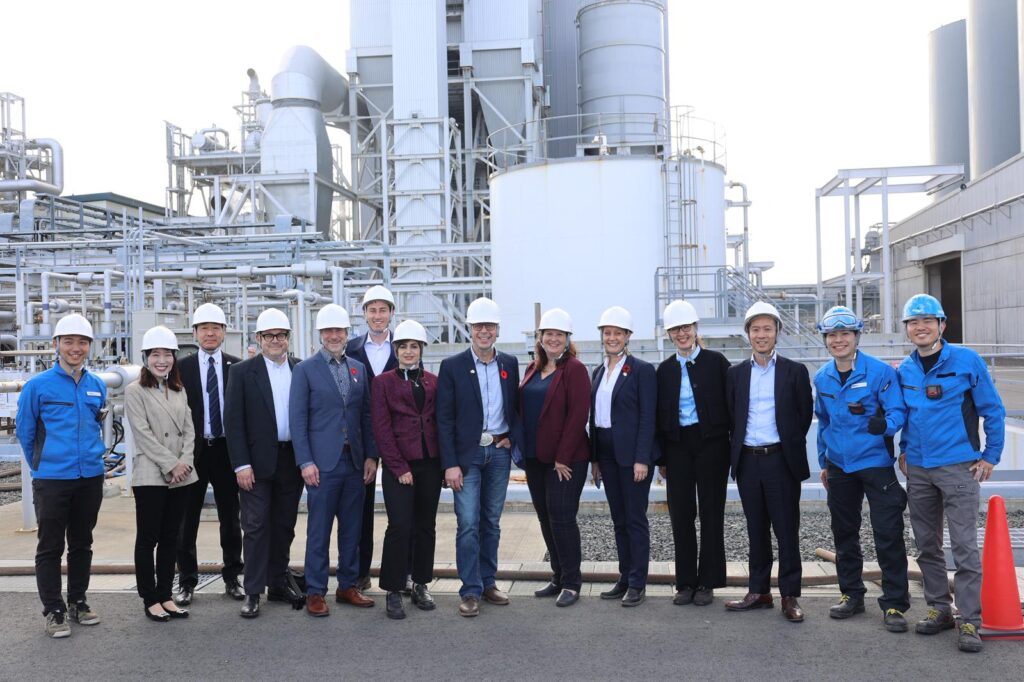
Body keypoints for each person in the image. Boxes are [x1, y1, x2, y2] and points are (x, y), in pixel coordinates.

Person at [897, 294, 1005, 653]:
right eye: (913, 322)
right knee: (927, 545)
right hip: (919, 469)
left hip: (959, 467)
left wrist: (990, 456)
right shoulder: (905, 369)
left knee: (964, 546)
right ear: (907, 329)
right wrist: (904, 450)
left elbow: (993, 410)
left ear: (942, 325)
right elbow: (909, 416)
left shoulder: (966, 361)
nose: (921, 327)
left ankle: (970, 619)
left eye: (928, 321)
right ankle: (940, 609)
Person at [813, 306, 910, 633]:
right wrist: (824, 461)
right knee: (844, 533)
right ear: (825, 339)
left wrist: (886, 426)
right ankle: (851, 594)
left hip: (875, 465)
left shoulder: (880, 372)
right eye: (832, 335)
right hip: (839, 467)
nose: (838, 340)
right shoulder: (822, 377)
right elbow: (824, 421)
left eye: (845, 334)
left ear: (856, 337)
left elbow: (897, 411)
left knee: (888, 533)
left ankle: (894, 603)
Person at [16, 314, 107, 638]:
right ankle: (54, 609)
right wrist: (42, 467)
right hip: (53, 478)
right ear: (56, 344)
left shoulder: (96, 385)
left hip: (90, 476)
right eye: (68, 341)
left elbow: (97, 424)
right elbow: (25, 431)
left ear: (89, 346)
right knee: (50, 546)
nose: (75, 348)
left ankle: (78, 601)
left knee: (82, 542)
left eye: (82, 342)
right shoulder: (38, 386)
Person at [724, 301, 812, 623]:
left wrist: (785, 445)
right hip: (748, 461)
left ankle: (790, 595)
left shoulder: (795, 371)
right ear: (748, 333)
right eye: (756, 329)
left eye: (767, 329)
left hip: (780, 461)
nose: (761, 335)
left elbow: (803, 416)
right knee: (756, 529)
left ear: (777, 332)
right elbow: (732, 416)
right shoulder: (735, 374)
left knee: (787, 530)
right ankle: (759, 591)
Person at [436, 297, 522, 617]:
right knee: (469, 523)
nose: (484, 331)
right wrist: (450, 464)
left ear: (497, 330)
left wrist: (512, 437)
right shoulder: (452, 366)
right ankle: (470, 590)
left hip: (498, 453)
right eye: (478, 326)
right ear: (469, 329)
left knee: (491, 522)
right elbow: (444, 419)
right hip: (467, 456)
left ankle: (488, 582)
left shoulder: (509, 364)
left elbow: (516, 407)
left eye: (489, 326)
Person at [291, 304, 378, 617]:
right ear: (320, 334)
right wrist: (305, 462)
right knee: (319, 530)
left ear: (346, 333)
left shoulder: (358, 369)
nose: (334, 336)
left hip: (354, 462)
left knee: (352, 529)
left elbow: (366, 416)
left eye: (339, 331)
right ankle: (316, 591)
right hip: (322, 465)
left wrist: (371, 456)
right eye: (328, 331)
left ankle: (347, 585)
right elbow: (298, 420)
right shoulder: (305, 370)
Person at [224, 308, 304, 618]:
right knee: (255, 526)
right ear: (258, 338)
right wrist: (241, 465)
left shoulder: (300, 369)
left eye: (280, 335)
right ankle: (253, 591)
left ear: (288, 338)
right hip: (255, 463)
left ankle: (278, 582)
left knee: (284, 525)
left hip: (291, 460)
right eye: (269, 336)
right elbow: (234, 422)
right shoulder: (242, 372)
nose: (275, 340)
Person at [655, 300, 731, 607]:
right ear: (669, 334)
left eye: (686, 327)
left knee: (712, 512)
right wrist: (661, 459)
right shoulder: (665, 370)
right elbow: (660, 417)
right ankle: (685, 581)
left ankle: (708, 581)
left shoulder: (717, 362)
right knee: (681, 514)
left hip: (712, 444)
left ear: (695, 328)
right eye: (675, 329)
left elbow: (733, 405)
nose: (681, 334)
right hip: (677, 446)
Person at [371, 320, 442, 620]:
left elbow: (441, 423)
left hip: (430, 464)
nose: (409, 351)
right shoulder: (383, 383)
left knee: (426, 526)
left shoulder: (433, 381)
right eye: (403, 347)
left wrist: (445, 465)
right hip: (399, 465)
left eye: (414, 346)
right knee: (399, 527)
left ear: (421, 349)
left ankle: (421, 583)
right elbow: (382, 429)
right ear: (396, 350)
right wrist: (399, 467)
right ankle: (393, 588)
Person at [125, 326, 197, 623]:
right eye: (155, 354)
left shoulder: (179, 389)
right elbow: (142, 435)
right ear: (145, 357)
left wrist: (186, 462)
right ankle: (150, 598)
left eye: (167, 354)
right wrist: (172, 464)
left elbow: (190, 429)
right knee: (148, 539)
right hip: (151, 474)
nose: (162, 360)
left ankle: (166, 594)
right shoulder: (135, 391)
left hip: (182, 475)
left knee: (171, 538)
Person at [520, 309, 591, 608]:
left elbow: (578, 415)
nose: (553, 339)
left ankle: (572, 583)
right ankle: (558, 576)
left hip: (566, 460)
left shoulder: (574, 369)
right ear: (540, 337)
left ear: (567, 338)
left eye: (559, 334)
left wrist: (563, 457)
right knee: (545, 518)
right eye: (548, 333)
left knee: (562, 518)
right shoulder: (532, 368)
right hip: (536, 458)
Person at [175, 303, 244, 605]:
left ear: (224, 332)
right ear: (195, 333)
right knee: (186, 520)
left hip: (227, 451)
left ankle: (232, 577)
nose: (210, 333)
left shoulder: (237, 367)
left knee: (231, 519)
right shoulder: (181, 368)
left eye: (216, 328)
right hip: (194, 452)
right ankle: (187, 581)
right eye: (204, 328)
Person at [588, 306, 656, 607]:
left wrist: (643, 458)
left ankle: (638, 583)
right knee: (618, 519)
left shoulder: (641, 370)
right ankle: (625, 577)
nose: (612, 338)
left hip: (632, 456)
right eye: (607, 333)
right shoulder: (598, 372)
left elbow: (648, 417)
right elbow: (594, 418)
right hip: (606, 453)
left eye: (618, 333)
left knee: (635, 519)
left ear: (628, 336)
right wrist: (595, 459)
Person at [347, 285, 399, 591]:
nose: (377, 316)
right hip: (360, 440)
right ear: (364, 314)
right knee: (360, 510)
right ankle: (359, 572)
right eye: (372, 310)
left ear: (391, 313)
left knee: (401, 510)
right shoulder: (350, 349)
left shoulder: (405, 346)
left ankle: (401, 573)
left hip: (398, 440)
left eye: (383, 310)